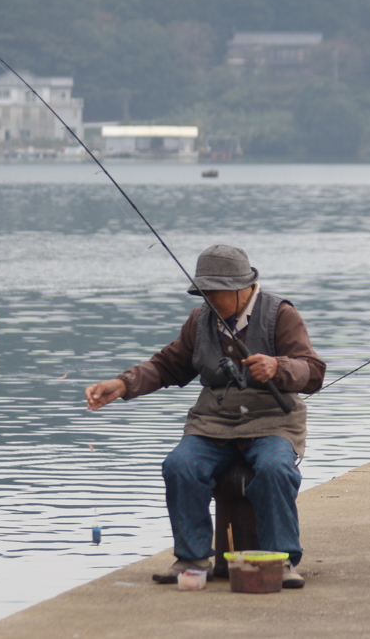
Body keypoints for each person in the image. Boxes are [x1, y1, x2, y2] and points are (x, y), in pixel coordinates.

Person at [84, 244, 326, 589]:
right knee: (180, 466)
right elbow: (167, 365)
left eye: (216, 292)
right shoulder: (200, 320)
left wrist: (278, 367)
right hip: (212, 423)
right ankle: (192, 558)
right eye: (204, 292)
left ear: (243, 289)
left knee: (274, 469)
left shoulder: (280, 314)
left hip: (273, 421)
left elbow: (313, 371)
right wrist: (122, 384)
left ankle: (281, 559)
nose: (209, 299)